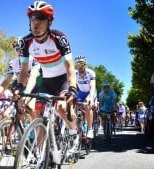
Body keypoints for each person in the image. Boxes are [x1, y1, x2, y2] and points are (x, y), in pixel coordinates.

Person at [17, 1, 78, 137]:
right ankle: (39, 155)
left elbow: (70, 68)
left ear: (49, 21)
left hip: (63, 80)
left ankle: (74, 131)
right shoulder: (25, 42)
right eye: (32, 17)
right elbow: (23, 71)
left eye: (41, 17)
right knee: (36, 113)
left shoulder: (59, 38)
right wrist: (20, 87)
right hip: (46, 81)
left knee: (62, 108)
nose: (36, 22)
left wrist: (72, 89)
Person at [74, 55, 96, 138]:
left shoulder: (91, 72)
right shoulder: (75, 73)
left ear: (85, 64)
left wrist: (90, 97)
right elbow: (72, 85)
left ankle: (90, 129)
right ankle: (75, 126)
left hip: (90, 91)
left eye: (82, 64)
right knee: (73, 104)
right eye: (77, 64)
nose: (80, 66)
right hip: (81, 92)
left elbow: (93, 86)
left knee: (87, 105)